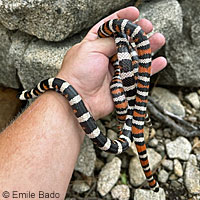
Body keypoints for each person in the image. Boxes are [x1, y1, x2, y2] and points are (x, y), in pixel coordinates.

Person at [0, 7, 166, 199]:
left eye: (30, 94)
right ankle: (152, 182)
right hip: (117, 68)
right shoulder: (123, 69)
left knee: (126, 114)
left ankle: (152, 181)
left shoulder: (122, 72)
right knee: (127, 115)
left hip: (117, 65)